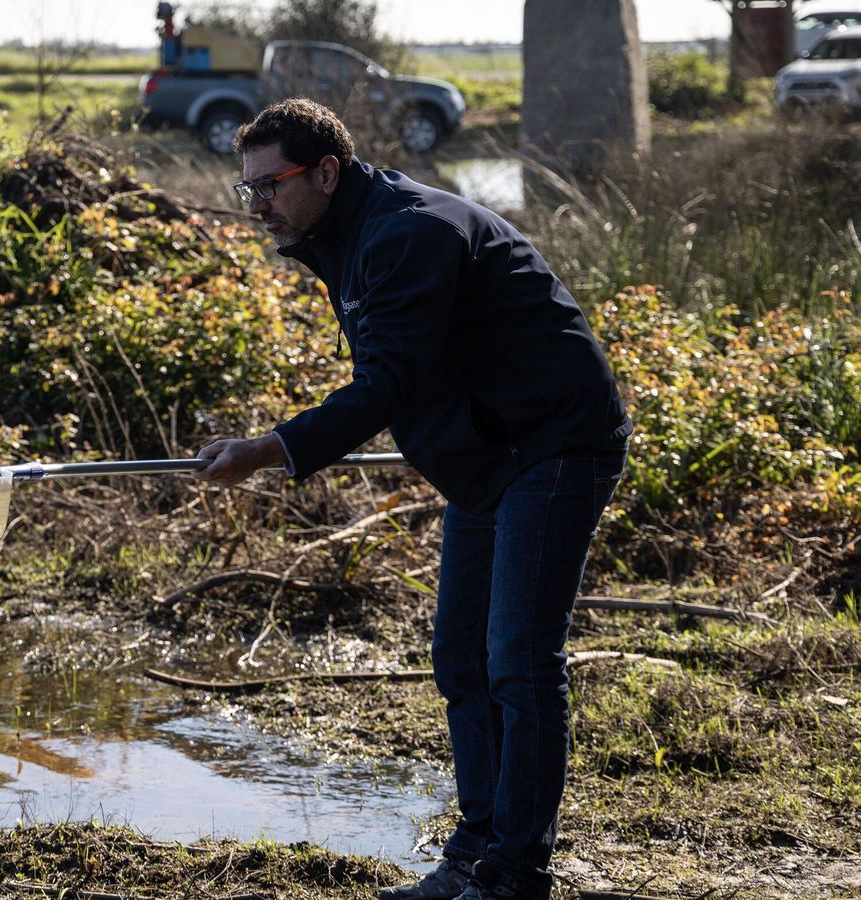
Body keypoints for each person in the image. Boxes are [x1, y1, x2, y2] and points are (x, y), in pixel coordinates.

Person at [192, 99, 631, 900]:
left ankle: (513, 875)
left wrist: (268, 450)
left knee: (520, 662)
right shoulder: (338, 233)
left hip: (556, 441)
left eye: (270, 186)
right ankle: (473, 852)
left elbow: (386, 383)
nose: (255, 205)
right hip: (486, 456)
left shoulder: (406, 230)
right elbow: (417, 370)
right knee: (460, 659)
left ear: (326, 171)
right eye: (245, 186)